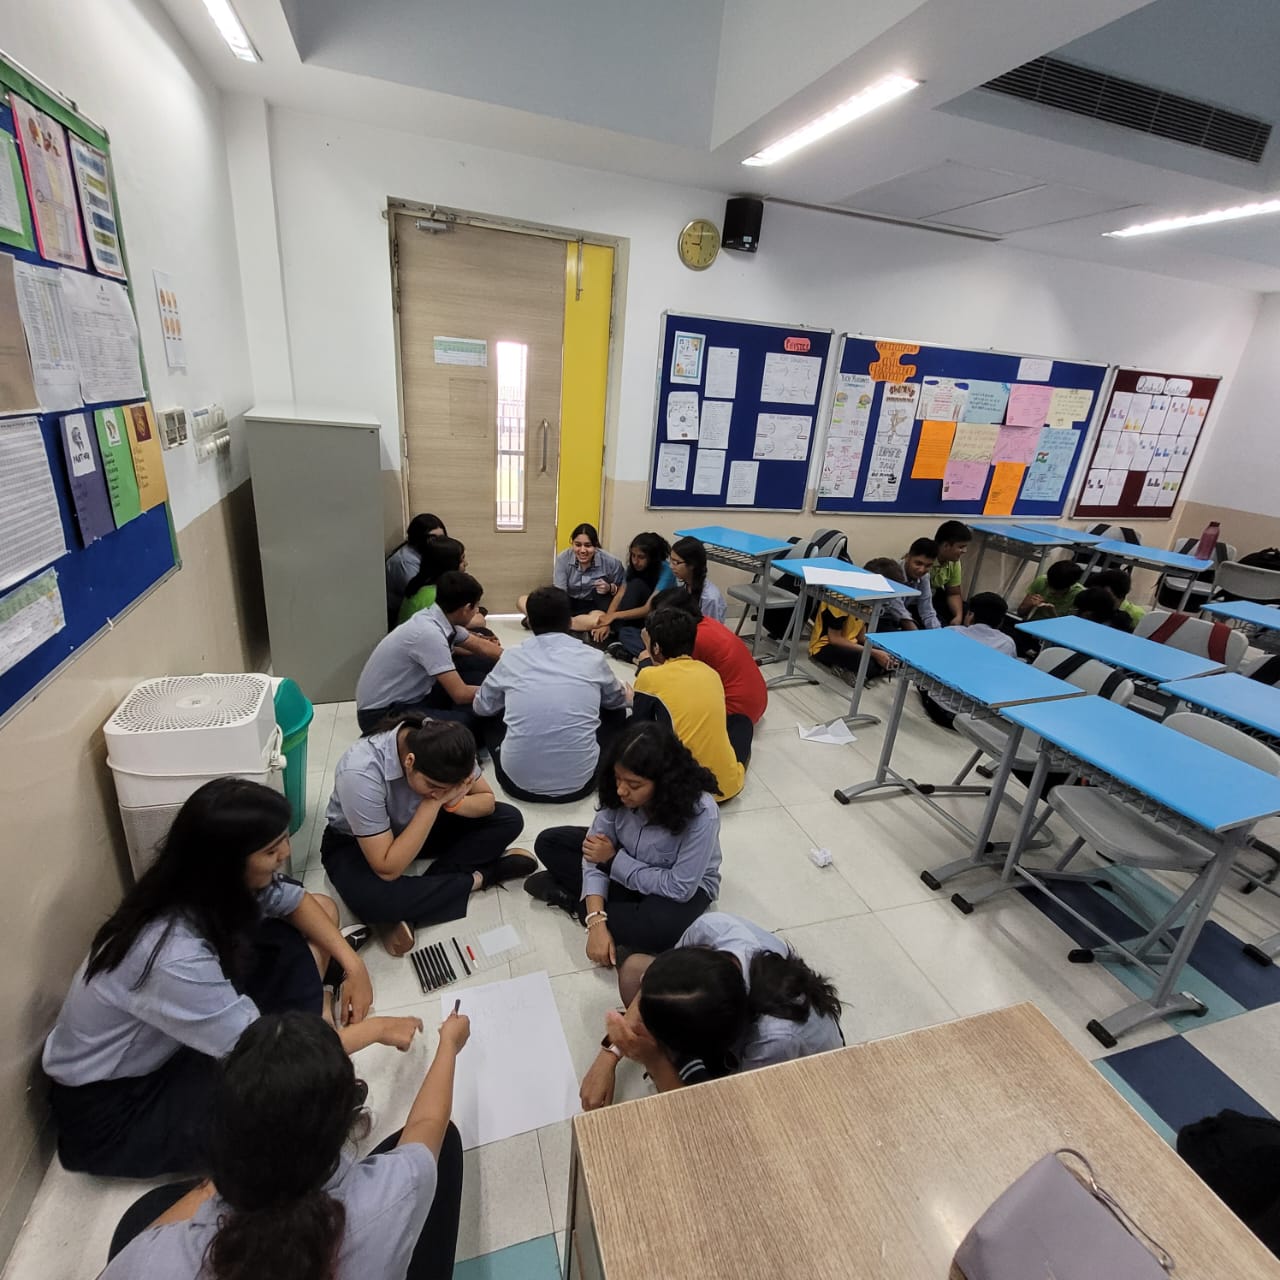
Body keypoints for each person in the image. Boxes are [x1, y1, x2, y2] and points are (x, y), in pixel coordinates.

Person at [42, 779, 422, 1179]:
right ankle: (315, 1064)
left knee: (301, 929)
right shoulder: (171, 955)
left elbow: (296, 901)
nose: (285, 854)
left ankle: (318, 1034)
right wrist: (376, 1030)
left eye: (282, 840)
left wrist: (353, 965)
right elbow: (265, 1057)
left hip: (171, 1045)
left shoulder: (200, 885)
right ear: (227, 862)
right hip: (116, 1110)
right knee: (281, 1096)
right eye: (271, 850)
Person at [100, 1009, 468, 1280]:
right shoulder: (394, 1192)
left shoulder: (153, 1263)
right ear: (347, 1122)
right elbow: (427, 1123)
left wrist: (224, 1176)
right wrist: (449, 1044)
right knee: (444, 1147)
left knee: (141, 1216)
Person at [579, 913, 843, 1109]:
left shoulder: (774, 1038)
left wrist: (655, 1060)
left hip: (802, 1079)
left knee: (709, 1113)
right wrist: (610, 1054)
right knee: (633, 971)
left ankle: (683, 1063)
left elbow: (718, 1119)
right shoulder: (713, 928)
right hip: (736, 1026)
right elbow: (659, 985)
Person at [321, 716, 533, 957]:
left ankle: (412, 905)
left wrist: (452, 803)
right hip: (356, 843)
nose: (441, 792)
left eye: (450, 787)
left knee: (508, 819)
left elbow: (487, 801)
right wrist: (432, 803)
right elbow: (387, 868)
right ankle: (483, 876)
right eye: (433, 785)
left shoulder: (449, 745)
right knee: (374, 901)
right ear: (410, 761)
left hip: (418, 823)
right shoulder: (359, 771)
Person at [526, 721, 720, 968]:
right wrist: (596, 922)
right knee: (550, 842)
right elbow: (594, 855)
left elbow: (679, 887)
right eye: (618, 778)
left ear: (664, 782)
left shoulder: (701, 813)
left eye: (634, 785)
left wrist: (613, 861)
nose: (621, 790)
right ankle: (611, 916)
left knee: (662, 930)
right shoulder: (616, 790)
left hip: (676, 888)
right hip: (623, 863)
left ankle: (578, 901)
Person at [474, 586, 628, 803]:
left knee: (491, 710)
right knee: (615, 711)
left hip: (515, 784)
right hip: (582, 783)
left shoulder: (511, 658)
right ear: (569, 621)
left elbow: (481, 707)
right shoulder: (593, 657)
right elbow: (617, 700)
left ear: (530, 622)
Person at [355, 571, 502, 734]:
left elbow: (482, 646)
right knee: (466, 725)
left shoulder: (437, 617)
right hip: (381, 715)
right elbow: (460, 693)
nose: (477, 612)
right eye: (476, 607)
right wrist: (507, 688)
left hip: (413, 696)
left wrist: (516, 661)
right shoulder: (429, 634)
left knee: (480, 669)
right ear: (466, 608)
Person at [633, 607, 747, 801]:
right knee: (742, 723)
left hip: (680, 794)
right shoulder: (710, 672)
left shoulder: (649, 676)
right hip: (726, 788)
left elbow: (639, 727)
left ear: (656, 647)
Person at [646, 588, 767, 724]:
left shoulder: (692, 640)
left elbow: (664, 678)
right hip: (756, 703)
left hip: (737, 713)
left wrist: (648, 645)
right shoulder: (707, 623)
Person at [918, 592, 1017, 730]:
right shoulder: (1007, 644)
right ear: (1001, 621)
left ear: (970, 614)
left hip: (937, 707)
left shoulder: (951, 632)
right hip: (975, 719)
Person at [807, 557, 906, 687]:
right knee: (866, 662)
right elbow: (835, 639)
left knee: (896, 657)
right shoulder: (841, 597)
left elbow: (861, 637)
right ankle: (855, 670)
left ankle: (859, 670)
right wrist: (874, 653)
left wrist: (883, 651)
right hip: (824, 646)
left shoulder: (870, 601)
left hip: (851, 643)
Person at [519, 523, 625, 631]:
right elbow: (560, 594)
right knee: (522, 601)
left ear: (595, 545)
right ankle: (565, 624)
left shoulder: (611, 562)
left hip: (593, 606)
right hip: (566, 602)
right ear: (572, 543)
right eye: (578, 545)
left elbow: (621, 591)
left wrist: (610, 588)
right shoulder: (563, 558)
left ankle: (547, 623)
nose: (582, 550)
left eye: (588, 545)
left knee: (599, 620)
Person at [590, 532, 676, 661]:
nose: (635, 561)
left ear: (652, 558)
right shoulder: (633, 568)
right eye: (633, 555)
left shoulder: (666, 571)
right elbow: (620, 595)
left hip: (654, 618)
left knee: (636, 586)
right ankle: (617, 635)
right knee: (597, 592)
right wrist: (606, 621)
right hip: (631, 615)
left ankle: (633, 649)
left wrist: (613, 616)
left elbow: (647, 608)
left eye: (641, 557)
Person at [386, 513, 447, 628]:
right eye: (433, 538)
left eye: (442, 538)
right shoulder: (405, 561)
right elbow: (421, 595)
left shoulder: (427, 553)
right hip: (405, 617)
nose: (439, 543)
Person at [397, 537, 465, 624]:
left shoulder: (419, 585)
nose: (466, 563)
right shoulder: (435, 595)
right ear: (449, 564)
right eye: (461, 560)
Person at [880, 538, 941, 631]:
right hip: (881, 618)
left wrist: (938, 634)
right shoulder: (893, 572)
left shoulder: (924, 577)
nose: (922, 570)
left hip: (900, 619)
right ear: (907, 557)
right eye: (918, 563)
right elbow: (898, 609)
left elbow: (927, 611)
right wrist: (917, 636)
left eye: (928, 566)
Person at [668, 536, 727, 624]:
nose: (671, 566)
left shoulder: (709, 598)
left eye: (676, 562)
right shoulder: (684, 583)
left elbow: (709, 628)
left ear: (692, 564)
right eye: (671, 560)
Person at [930, 520, 972, 626]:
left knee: (970, 611)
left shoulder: (954, 561)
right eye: (961, 547)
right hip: (918, 601)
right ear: (946, 545)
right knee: (940, 622)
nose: (965, 551)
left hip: (935, 596)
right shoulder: (925, 558)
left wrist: (958, 617)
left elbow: (953, 593)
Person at [1018, 558, 1085, 620]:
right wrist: (1030, 605)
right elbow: (1020, 612)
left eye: (1057, 590)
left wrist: (1052, 614)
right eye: (1049, 585)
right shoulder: (1042, 581)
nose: (1052, 591)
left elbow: (1067, 627)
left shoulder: (1079, 594)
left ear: (1071, 585)